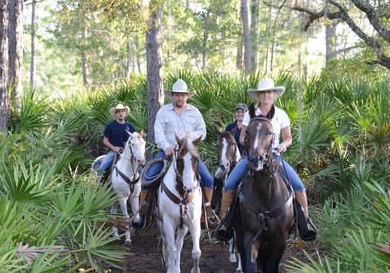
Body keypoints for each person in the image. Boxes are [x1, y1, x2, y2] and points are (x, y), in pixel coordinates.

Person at [214, 78, 317, 241]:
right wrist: (252, 144)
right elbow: (241, 138)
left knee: (298, 185)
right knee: (229, 184)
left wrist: (283, 145)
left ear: (274, 94)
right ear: (258, 96)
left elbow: (288, 138)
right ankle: (225, 223)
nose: (266, 95)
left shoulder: (281, 115)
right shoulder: (250, 114)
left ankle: (305, 222)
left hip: (274, 157)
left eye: (269, 92)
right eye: (263, 93)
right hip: (251, 157)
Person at [132, 79, 218, 229]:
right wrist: (166, 146)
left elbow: (202, 132)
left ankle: (206, 213)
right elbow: (158, 132)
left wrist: (190, 136)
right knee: (148, 177)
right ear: (172, 95)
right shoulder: (163, 111)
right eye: (177, 95)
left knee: (208, 179)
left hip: (188, 154)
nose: (180, 98)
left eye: (183, 95)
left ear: (187, 96)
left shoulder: (194, 112)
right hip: (167, 153)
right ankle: (143, 212)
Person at [211, 103, 247, 210]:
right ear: (235, 113)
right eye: (238, 112)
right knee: (218, 174)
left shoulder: (248, 127)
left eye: (242, 112)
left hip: (244, 157)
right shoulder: (230, 127)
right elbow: (224, 143)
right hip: (229, 158)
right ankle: (214, 199)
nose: (239, 114)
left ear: (245, 114)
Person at [96, 103, 136, 180]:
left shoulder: (130, 126)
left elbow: (134, 140)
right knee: (102, 167)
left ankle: (142, 188)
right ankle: (97, 185)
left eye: (122, 111)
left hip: (127, 152)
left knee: (140, 169)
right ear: (116, 114)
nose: (121, 113)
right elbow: (105, 140)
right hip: (114, 152)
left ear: (125, 113)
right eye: (118, 112)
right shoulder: (110, 126)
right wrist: (113, 148)